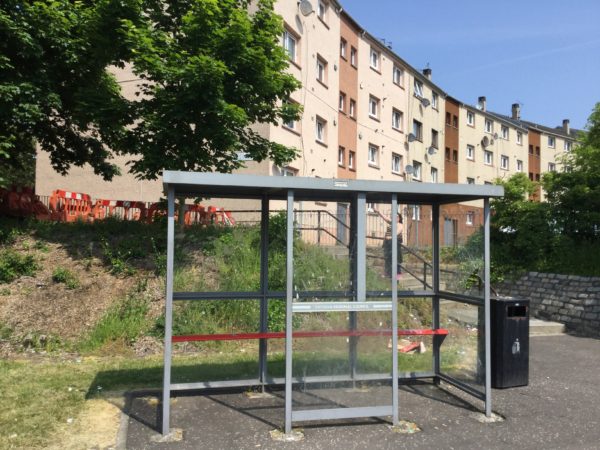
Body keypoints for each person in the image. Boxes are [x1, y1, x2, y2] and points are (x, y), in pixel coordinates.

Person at [373, 206, 403, 279]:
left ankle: (398, 278)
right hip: (388, 243)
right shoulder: (391, 222)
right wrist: (378, 212)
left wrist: (391, 237)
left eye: (397, 217)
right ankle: (388, 274)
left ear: (399, 218)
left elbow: (397, 232)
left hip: (395, 244)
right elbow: (384, 217)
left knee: (396, 260)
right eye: (394, 216)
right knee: (388, 259)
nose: (395, 218)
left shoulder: (400, 225)